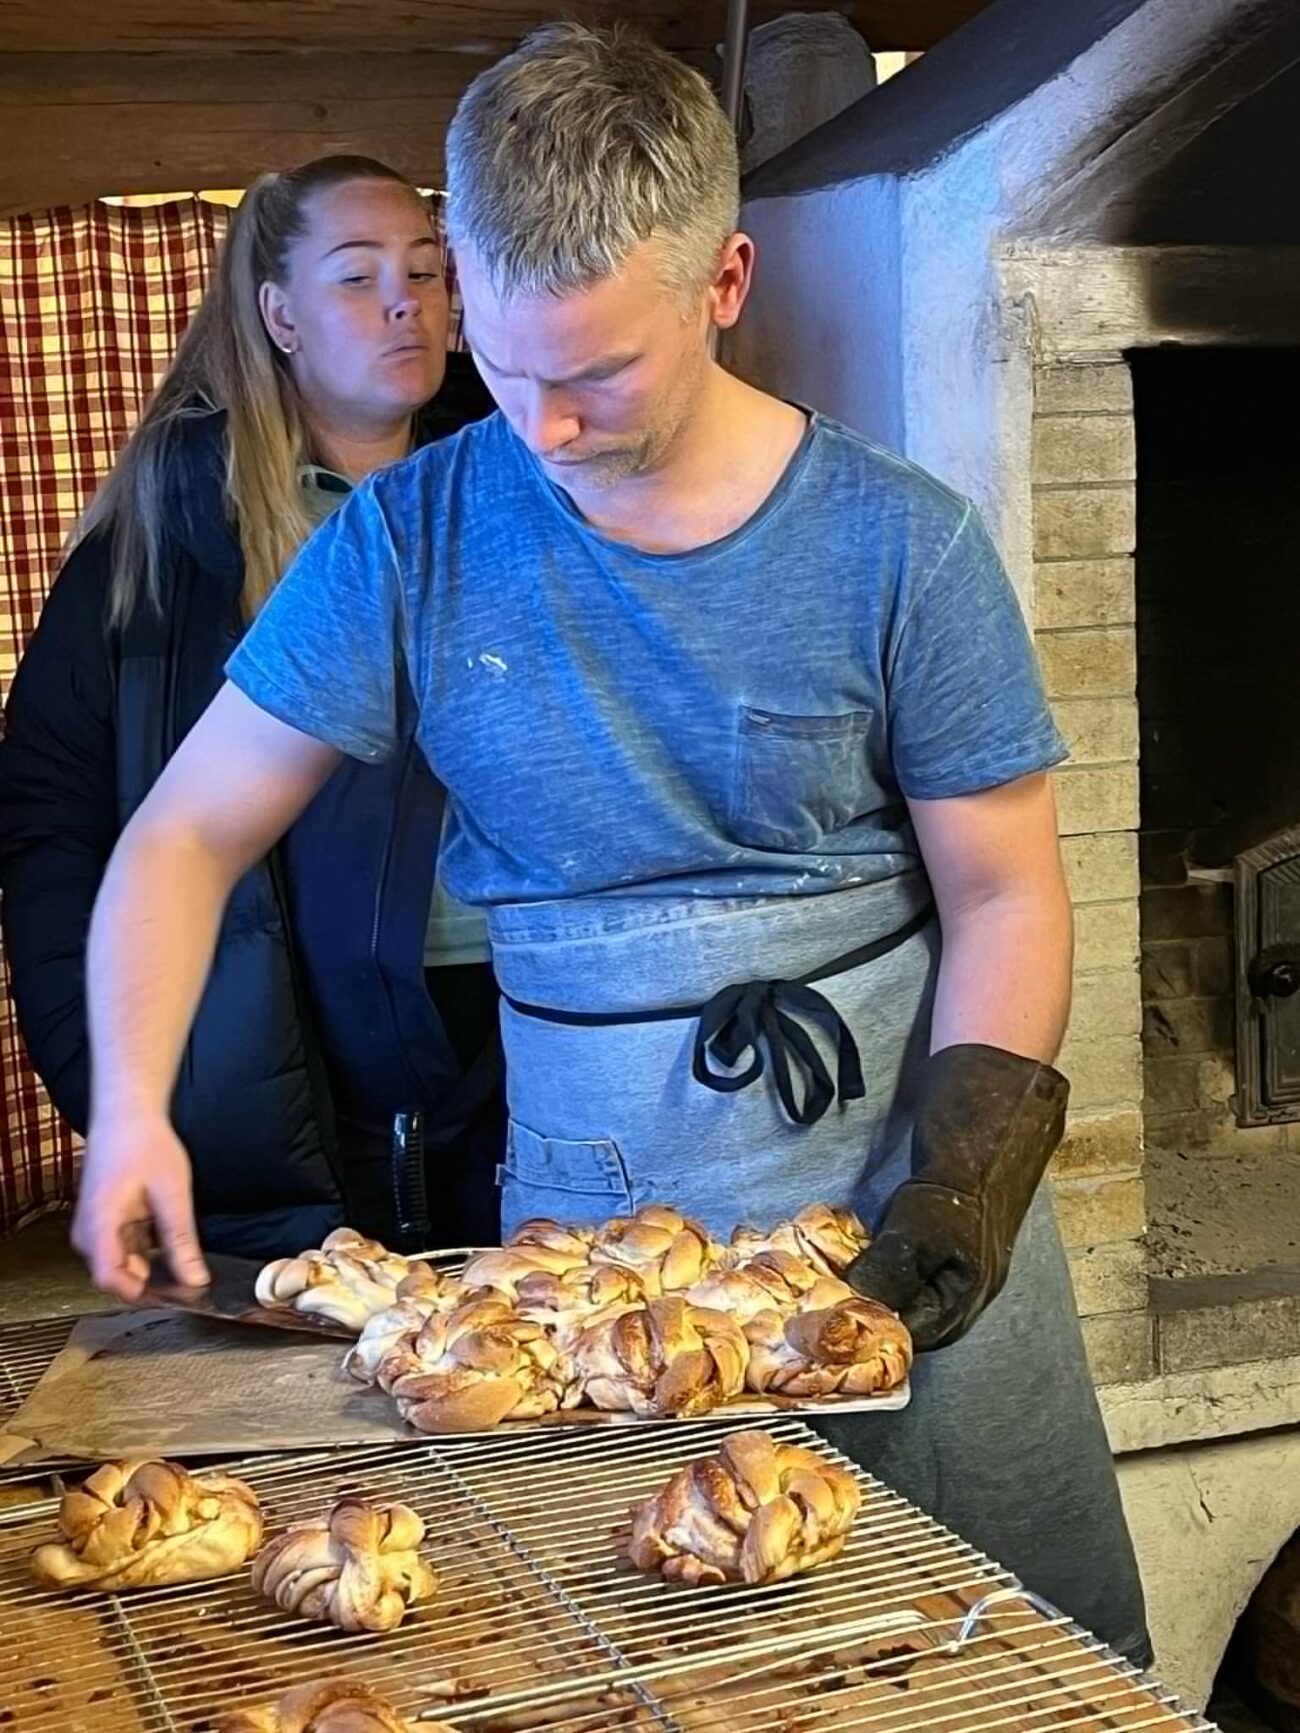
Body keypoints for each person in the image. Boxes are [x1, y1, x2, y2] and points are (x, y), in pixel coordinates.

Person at [67, 28, 1149, 1659]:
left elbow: (1003, 885)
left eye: (596, 375)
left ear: (724, 283)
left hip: (898, 1185)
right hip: (592, 1238)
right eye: (503, 370)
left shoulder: (903, 546)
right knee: (644, 1659)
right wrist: (131, 1108)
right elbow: (182, 838)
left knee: (1004, 1659)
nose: (545, 431)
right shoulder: (408, 543)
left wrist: (974, 1170)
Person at [0, 155, 501, 1259]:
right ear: (278, 313)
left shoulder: (519, 490)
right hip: (281, 1053)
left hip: (513, 1035)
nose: (403, 302)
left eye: (426, 270)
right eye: (357, 276)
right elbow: (53, 817)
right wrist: (113, 1072)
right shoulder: (155, 548)